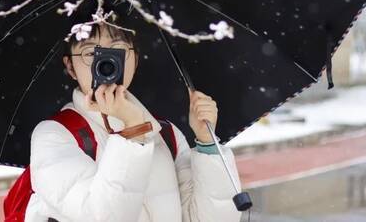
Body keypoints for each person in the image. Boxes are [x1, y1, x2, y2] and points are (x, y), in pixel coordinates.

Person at [25, 21, 243, 221]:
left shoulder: (166, 134)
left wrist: (206, 142)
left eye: (117, 49)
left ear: (135, 59)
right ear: (70, 67)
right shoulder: (55, 135)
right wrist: (133, 130)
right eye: (90, 52)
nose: (105, 61)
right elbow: (103, 217)